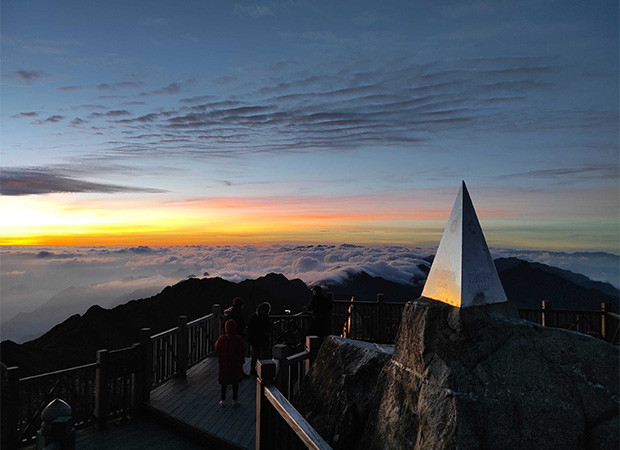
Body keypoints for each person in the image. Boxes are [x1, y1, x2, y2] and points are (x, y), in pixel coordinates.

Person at [215, 319, 245, 408]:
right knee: (235, 382)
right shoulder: (238, 339)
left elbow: (217, 349)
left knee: (224, 383)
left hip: (224, 364)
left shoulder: (222, 339)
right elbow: (242, 350)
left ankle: (223, 400)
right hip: (235, 364)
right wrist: (241, 360)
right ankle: (234, 400)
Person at [247, 302, 271, 376]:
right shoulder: (265, 318)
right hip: (261, 338)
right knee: (262, 354)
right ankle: (263, 369)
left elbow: (250, 328)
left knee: (255, 354)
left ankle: (253, 369)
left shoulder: (254, 316)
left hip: (256, 338)